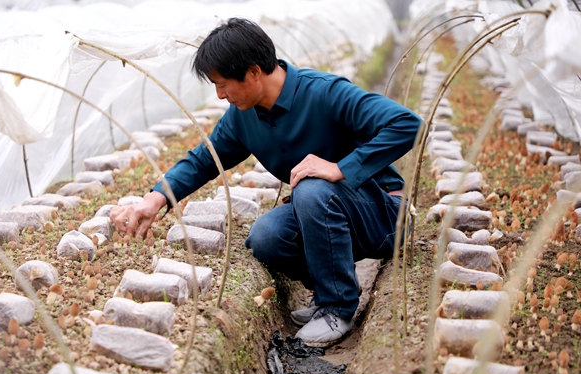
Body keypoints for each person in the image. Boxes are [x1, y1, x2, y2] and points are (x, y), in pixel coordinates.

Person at [110, 17, 422, 347]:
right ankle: (334, 284)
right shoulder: (243, 118)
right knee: (266, 236)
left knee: (312, 189)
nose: (219, 95)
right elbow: (205, 159)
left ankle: (338, 308)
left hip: (386, 213)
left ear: (255, 72)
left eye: (223, 83)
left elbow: (408, 124)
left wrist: (341, 168)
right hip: (331, 215)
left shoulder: (325, 93)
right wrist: (156, 198)